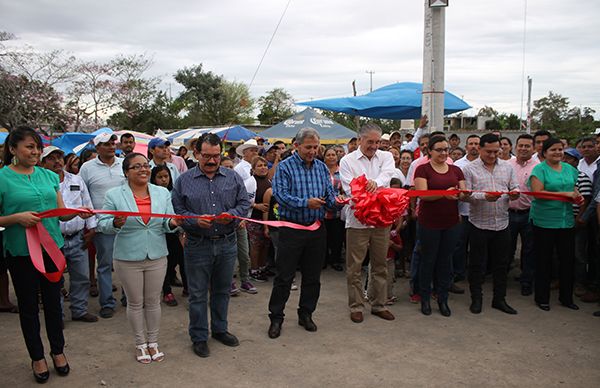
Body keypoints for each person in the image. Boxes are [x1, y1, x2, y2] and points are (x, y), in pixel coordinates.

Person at [0, 127, 92, 383]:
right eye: (29, 147)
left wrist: (78, 212)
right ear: (13, 149)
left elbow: (61, 213)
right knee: (29, 306)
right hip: (21, 253)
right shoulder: (2, 178)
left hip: (52, 249)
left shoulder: (49, 177)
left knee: (54, 303)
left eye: (38, 147)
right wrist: (15, 218)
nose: (35, 152)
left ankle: (58, 351)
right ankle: (37, 356)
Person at [172, 133, 250, 358]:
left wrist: (232, 215)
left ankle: (219, 329)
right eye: (206, 156)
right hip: (197, 245)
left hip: (227, 243)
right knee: (197, 294)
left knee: (222, 290)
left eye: (216, 156)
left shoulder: (232, 177)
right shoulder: (183, 180)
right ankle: (198, 336)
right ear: (197, 154)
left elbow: (244, 203)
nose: (212, 161)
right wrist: (195, 220)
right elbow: (178, 211)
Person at [98, 152, 181, 363]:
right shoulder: (114, 195)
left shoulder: (162, 193)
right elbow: (102, 224)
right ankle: (140, 344)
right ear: (126, 172)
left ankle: (153, 342)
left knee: (153, 302)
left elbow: (167, 223)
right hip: (127, 257)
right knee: (135, 303)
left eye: (145, 165)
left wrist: (173, 224)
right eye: (137, 166)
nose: (143, 169)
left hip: (157, 255)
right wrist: (115, 223)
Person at [267, 127, 338, 339]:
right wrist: (306, 203)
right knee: (284, 276)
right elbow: (280, 196)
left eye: (316, 147)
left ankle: (306, 313)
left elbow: (329, 195)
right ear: (296, 146)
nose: (312, 151)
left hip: (316, 229)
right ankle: (276, 317)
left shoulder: (321, 168)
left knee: (312, 276)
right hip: (291, 229)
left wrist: (342, 202)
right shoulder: (285, 167)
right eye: (308, 147)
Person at [340, 123, 397, 323]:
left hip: (382, 219)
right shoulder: (347, 161)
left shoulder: (386, 156)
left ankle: (379, 304)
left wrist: (375, 184)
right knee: (355, 266)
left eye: (377, 142)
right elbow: (350, 190)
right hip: (357, 221)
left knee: (380, 264)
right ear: (360, 140)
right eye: (370, 142)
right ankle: (356, 305)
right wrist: (371, 187)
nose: (374, 146)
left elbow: (387, 175)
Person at [463, 133, 520, 315]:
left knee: (501, 265)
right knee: (477, 264)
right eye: (489, 151)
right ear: (480, 149)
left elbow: (514, 187)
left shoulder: (507, 167)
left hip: (502, 223)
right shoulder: (470, 169)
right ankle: (476, 299)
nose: (493, 155)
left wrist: (515, 193)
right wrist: (484, 196)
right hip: (478, 223)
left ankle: (499, 299)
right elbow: (466, 195)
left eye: (497, 151)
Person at [40, 146, 99, 322]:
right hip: (52, 240)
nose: (57, 161)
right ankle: (56, 315)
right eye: (52, 158)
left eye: (60, 157)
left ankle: (79, 310)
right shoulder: (40, 184)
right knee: (54, 280)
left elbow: (86, 202)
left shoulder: (77, 180)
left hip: (77, 236)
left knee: (81, 277)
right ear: (42, 162)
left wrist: (92, 229)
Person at [414, 136, 468, 317]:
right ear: (430, 151)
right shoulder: (422, 169)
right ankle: (425, 298)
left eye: (446, 150)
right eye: (439, 149)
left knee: (446, 260)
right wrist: (444, 194)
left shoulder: (456, 170)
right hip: (429, 222)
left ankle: (443, 298)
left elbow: (462, 192)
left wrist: (460, 195)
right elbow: (422, 194)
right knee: (428, 260)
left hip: (451, 222)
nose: (444, 153)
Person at [529, 138, 580, 311]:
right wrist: (565, 194)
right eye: (553, 150)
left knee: (567, 261)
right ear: (544, 153)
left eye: (560, 149)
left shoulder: (570, 169)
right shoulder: (539, 170)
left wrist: (577, 196)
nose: (558, 153)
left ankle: (566, 297)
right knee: (544, 261)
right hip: (544, 221)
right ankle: (542, 298)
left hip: (566, 221)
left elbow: (574, 189)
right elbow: (537, 193)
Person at [79, 132, 126, 318]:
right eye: (106, 144)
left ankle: (127, 297)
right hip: (102, 224)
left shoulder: (124, 164)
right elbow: (83, 196)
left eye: (113, 143)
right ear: (97, 147)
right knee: (105, 264)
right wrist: (90, 225)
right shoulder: (87, 168)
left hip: (125, 223)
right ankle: (107, 302)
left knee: (126, 262)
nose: (111, 146)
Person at [150, 165, 188, 306]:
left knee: (181, 259)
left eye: (166, 176)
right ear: (153, 179)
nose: (164, 180)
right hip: (158, 232)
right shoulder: (151, 193)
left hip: (175, 231)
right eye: (160, 177)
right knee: (164, 263)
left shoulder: (175, 192)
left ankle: (187, 288)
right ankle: (167, 291)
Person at [508, 134, 539, 296]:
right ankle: (503, 278)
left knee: (529, 249)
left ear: (533, 148)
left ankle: (526, 281)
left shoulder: (538, 167)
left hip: (529, 214)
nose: (523, 149)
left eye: (527, 146)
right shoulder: (507, 164)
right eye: (520, 145)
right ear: (515, 147)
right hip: (509, 213)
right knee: (507, 248)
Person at [562, 148, 593, 298]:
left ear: (576, 161)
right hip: (560, 220)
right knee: (560, 253)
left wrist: (579, 219)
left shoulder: (582, 177)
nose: (565, 161)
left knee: (578, 254)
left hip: (575, 221)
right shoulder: (560, 176)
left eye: (568, 159)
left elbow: (585, 201)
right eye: (563, 158)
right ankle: (560, 279)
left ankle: (580, 283)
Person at [452, 135, 480, 285]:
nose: (474, 146)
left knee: (477, 246)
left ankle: (476, 274)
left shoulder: (485, 163)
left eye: (477, 143)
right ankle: (459, 272)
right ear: (466, 146)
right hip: (463, 211)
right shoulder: (458, 164)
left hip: (479, 211)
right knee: (459, 245)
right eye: (471, 143)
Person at [233, 139, 261, 288]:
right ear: (244, 153)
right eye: (252, 150)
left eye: (256, 150)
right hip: (241, 213)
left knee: (245, 250)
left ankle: (245, 278)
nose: (255, 153)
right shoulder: (240, 168)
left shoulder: (250, 167)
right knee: (239, 249)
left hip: (248, 212)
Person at [244, 156, 271, 294]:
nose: (263, 167)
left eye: (265, 165)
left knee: (265, 244)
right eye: (259, 165)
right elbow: (243, 199)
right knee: (255, 245)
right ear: (253, 169)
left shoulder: (269, 181)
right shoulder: (250, 182)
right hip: (253, 218)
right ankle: (254, 269)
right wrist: (256, 205)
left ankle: (262, 266)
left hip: (267, 218)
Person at [323, 147, 345, 272]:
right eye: (328, 155)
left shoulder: (341, 172)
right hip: (323, 209)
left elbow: (345, 188)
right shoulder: (320, 171)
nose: (331, 157)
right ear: (324, 157)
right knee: (323, 237)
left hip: (337, 209)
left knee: (337, 237)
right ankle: (323, 260)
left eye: (333, 155)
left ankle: (335, 260)